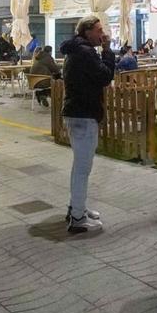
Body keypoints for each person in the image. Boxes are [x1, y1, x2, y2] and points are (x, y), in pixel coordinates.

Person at [60, 15, 115, 233]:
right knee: (83, 168)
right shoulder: (85, 52)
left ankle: (77, 207)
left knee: (79, 167)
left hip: (77, 112)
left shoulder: (76, 50)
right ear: (87, 31)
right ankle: (78, 218)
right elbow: (105, 76)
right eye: (99, 30)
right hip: (84, 114)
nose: (102, 34)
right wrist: (108, 52)